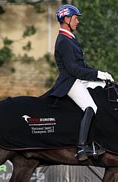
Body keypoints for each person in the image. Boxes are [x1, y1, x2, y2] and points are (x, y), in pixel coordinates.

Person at [48, 4, 114, 161]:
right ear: (66, 19)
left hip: (78, 80)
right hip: (70, 82)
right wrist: (98, 73)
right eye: (75, 18)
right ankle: (82, 147)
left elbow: (82, 66)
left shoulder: (70, 39)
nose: (77, 22)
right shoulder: (64, 41)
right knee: (90, 107)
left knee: (103, 90)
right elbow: (74, 69)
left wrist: (100, 77)